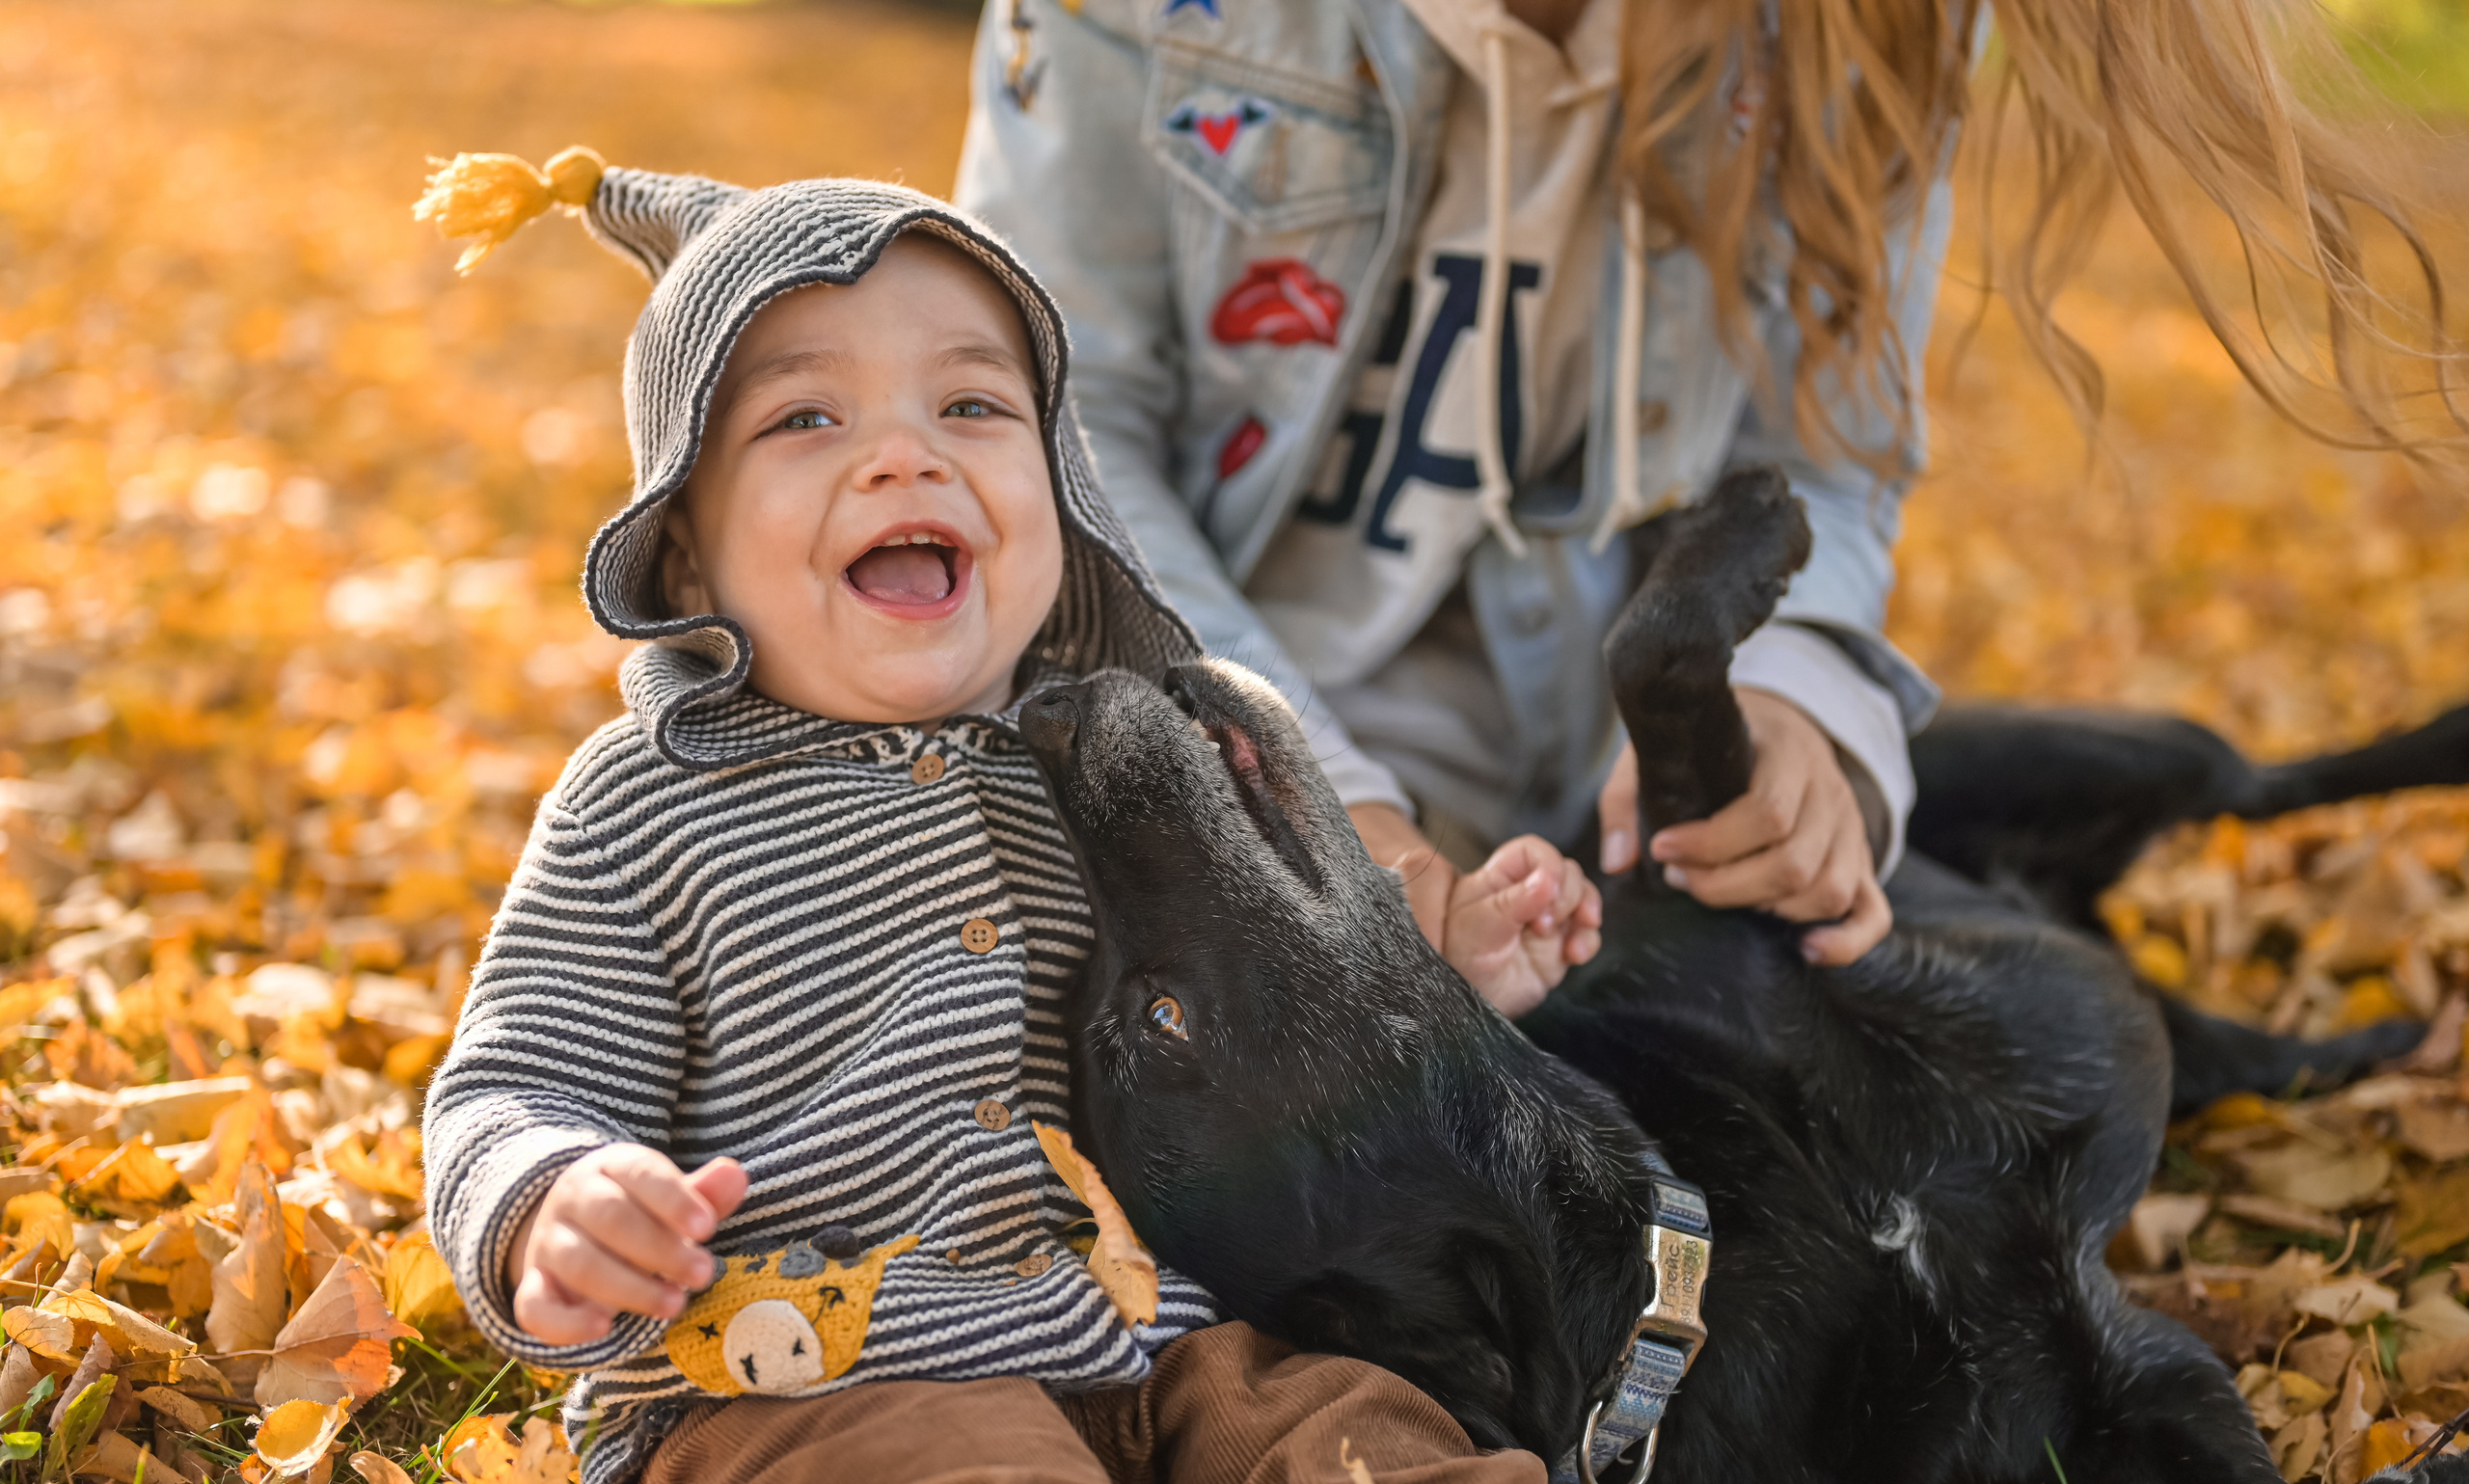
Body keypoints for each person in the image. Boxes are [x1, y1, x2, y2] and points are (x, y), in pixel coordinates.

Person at [413, 148, 1635, 1484]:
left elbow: (1281, 1004)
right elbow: (513, 1080)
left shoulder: (1110, 769)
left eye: (973, 408)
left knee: (1359, 1433)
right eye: (807, 418)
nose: (905, 458)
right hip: (805, 1379)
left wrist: (1447, 967)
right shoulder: (644, 805)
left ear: (1060, 495)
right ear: (683, 546)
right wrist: (553, 1200)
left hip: (1159, 1338)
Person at [954, 0, 2461, 972]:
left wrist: (1806, 698)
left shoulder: (1863, 33)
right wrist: (1325, 807)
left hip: (1599, 810)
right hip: (1236, 754)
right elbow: (1064, 432)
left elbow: (1828, 465)